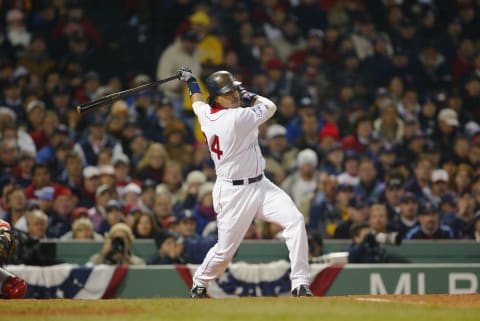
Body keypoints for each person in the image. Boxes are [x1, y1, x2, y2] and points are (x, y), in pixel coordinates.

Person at [178, 68, 312, 297]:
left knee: (295, 220)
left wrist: (191, 82)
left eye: (234, 90)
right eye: (227, 92)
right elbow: (270, 107)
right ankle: (200, 282)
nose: (234, 95)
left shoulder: (207, 113)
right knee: (225, 251)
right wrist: (251, 96)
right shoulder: (236, 118)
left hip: (261, 185)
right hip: (233, 192)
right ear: (217, 98)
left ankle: (300, 283)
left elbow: (197, 101)